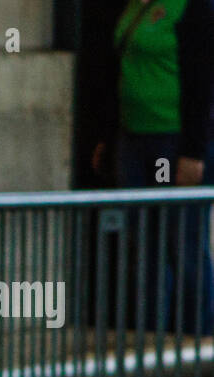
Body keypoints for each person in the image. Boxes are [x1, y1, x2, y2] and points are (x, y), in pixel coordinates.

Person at [91, 0, 214, 337]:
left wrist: (193, 152)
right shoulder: (134, 6)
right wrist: (107, 135)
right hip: (133, 140)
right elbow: (119, 71)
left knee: (182, 242)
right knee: (144, 245)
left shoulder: (193, 7)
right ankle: (150, 339)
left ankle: (197, 343)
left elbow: (202, 81)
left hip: (171, 145)